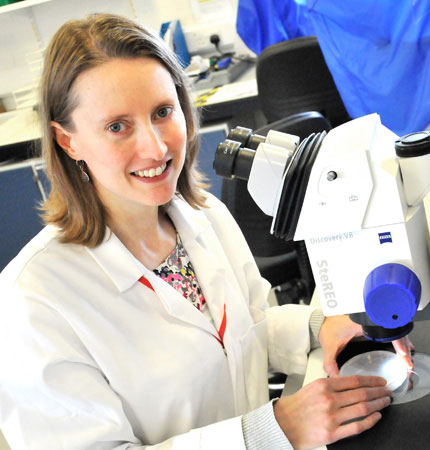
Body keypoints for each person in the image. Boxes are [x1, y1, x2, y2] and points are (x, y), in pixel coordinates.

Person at [0, 13, 412, 450]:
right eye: (117, 126)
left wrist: (321, 324)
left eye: (162, 112)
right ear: (69, 141)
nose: (156, 147)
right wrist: (270, 431)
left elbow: (249, 327)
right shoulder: (32, 301)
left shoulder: (204, 216)